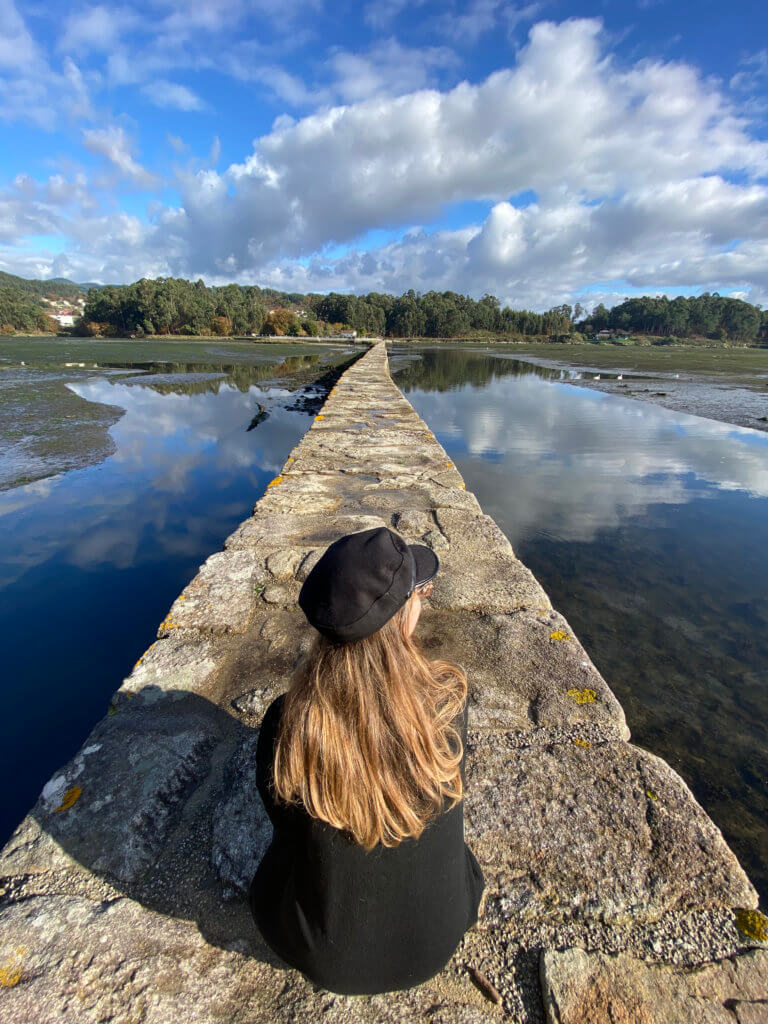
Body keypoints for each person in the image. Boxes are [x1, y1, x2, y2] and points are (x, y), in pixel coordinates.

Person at [248, 526, 485, 995]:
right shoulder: (444, 709)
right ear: (402, 619)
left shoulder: (287, 727)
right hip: (438, 938)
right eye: (421, 594)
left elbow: (286, 827)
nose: (423, 602)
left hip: (330, 957)